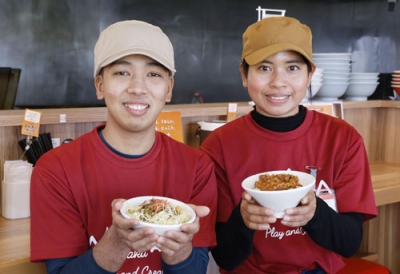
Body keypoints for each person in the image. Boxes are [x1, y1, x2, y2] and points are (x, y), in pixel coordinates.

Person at [30, 20, 217, 274]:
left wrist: (180, 249)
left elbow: (196, 269)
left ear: (169, 89)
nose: (138, 88)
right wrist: (117, 243)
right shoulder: (56, 169)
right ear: (100, 85)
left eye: (153, 74)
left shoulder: (197, 167)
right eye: (121, 72)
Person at [200, 16, 377, 274]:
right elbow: (225, 257)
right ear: (243, 74)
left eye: (292, 68)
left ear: (310, 74)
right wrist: (243, 219)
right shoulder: (219, 145)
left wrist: (315, 214)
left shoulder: (343, 138)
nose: (278, 82)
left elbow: (350, 243)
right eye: (264, 68)